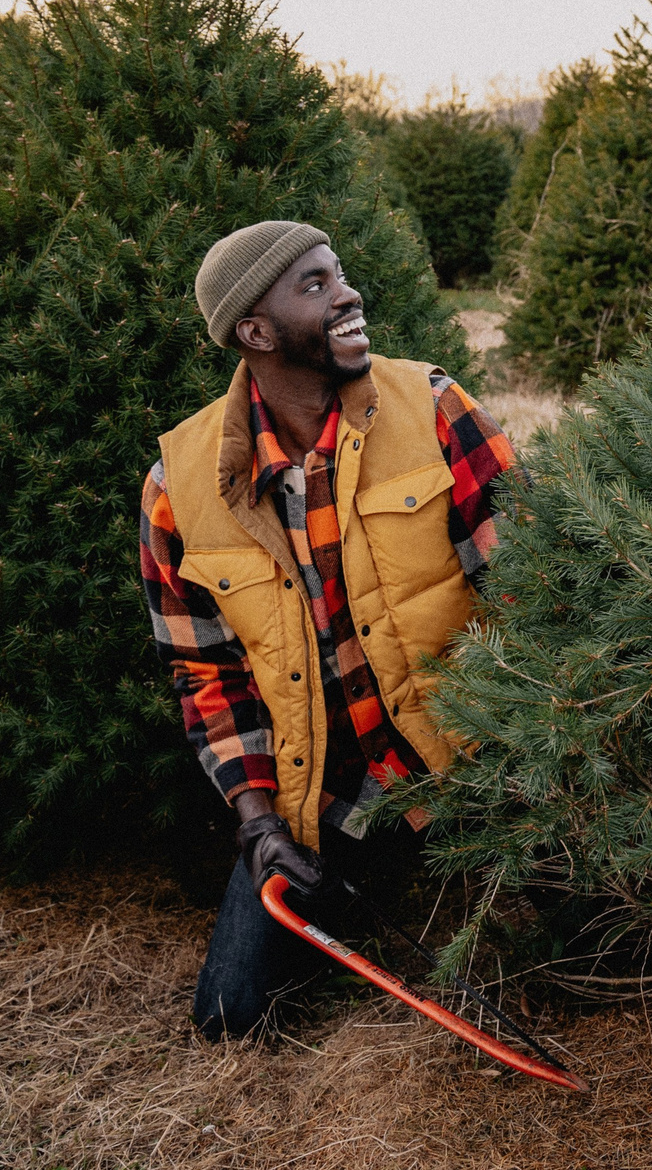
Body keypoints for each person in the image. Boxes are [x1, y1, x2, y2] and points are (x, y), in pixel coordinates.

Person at [138, 219, 519, 1039]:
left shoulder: (431, 405)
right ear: (255, 331)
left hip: (468, 758)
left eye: (339, 273)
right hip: (325, 794)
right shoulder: (181, 486)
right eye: (314, 285)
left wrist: (534, 760)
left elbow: (534, 586)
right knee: (232, 1017)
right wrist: (260, 822)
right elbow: (205, 674)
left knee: (582, 956)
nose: (348, 294)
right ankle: (358, 879)